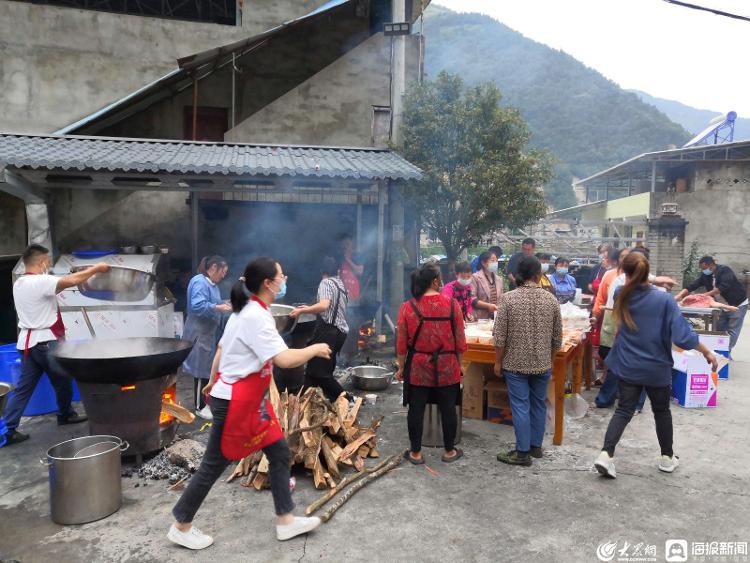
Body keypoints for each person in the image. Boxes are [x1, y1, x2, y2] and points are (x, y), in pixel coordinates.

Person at [168, 257, 331, 549]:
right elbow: (284, 359)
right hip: (236, 402)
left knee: (279, 452)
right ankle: (181, 523)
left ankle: (285, 521)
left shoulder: (245, 311)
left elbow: (221, 349)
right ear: (268, 283)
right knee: (213, 465)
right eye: (281, 276)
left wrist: (213, 379)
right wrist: (313, 348)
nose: (284, 280)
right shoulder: (256, 316)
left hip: (242, 398)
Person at [594, 252, 718, 479]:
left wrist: (651, 279)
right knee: (661, 411)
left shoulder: (623, 293)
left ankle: (605, 454)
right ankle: (667, 458)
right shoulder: (664, 300)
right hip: (656, 368)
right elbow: (683, 337)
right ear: (645, 272)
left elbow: (635, 282)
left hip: (628, 365)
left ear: (626, 273)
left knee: (623, 410)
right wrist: (707, 351)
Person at [3, 245, 110, 446]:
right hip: (46, 343)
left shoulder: (20, 283)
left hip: (28, 344)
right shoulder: (40, 280)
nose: (49, 266)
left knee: (24, 388)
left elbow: (58, 287)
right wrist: (96, 269)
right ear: (41, 262)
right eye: (48, 262)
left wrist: (74, 277)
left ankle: (9, 429)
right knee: (63, 378)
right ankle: (65, 414)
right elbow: (71, 281)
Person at [493, 255, 562, 467]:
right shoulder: (551, 300)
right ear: (538, 275)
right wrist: (549, 361)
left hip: (515, 364)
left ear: (519, 275)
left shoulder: (508, 298)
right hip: (542, 363)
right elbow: (557, 338)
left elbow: (499, 336)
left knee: (521, 406)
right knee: (538, 404)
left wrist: (497, 362)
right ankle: (535, 447)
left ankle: (522, 453)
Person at [396, 264, 466, 464]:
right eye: (440, 278)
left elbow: (401, 344)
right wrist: (459, 365)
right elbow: (460, 341)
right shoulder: (453, 305)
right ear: (434, 281)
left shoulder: (408, 307)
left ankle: (416, 453)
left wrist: (401, 367)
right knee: (448, 408)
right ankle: (449, 451)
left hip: (418, 366)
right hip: (448, 364)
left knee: (416, 409)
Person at [291, 257, 350, 403]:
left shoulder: (325, 282)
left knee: (321, 374)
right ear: (337, 270)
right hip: (338, 333)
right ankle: (300, 402)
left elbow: (324, 305)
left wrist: (302, 311)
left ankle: (348, 400)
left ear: (321, 271)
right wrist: (309, 307)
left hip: (329, 333)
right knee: (312, 373)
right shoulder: (340, 283)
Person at [181, 255, 232, 420]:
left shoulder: (212, 285)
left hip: (208, 333)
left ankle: (205, 403)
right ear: (213, 268)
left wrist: (225, 303)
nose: (223, 275)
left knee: (206, 369)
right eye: (222, 271)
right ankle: (199, 407)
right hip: (198, 333)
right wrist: (218, 307)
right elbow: (197, 306)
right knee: (200, 371)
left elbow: (213, 302)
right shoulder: (199, 281)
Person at [676, 256, 748, 357]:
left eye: (703, 268)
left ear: (710, 265)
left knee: (732, 330)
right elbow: (693, 285)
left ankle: (725, 352)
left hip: (738, 303)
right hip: (723, 305)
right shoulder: (706, 276)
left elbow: (722, 287)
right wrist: (679, 296)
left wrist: (702, 296)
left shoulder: (725, 271)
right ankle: (720, 352)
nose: (703, 270)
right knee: (719, 330)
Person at [471, 251, 502, 320]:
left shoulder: (499, 279)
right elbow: (472, 299)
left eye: (496, 261)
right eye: (492, 260)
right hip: (481, 318)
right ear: (483, 263)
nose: (495, 263)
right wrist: (488, 306)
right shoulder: (475, 277)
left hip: (496, 317)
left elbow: (501, 299)